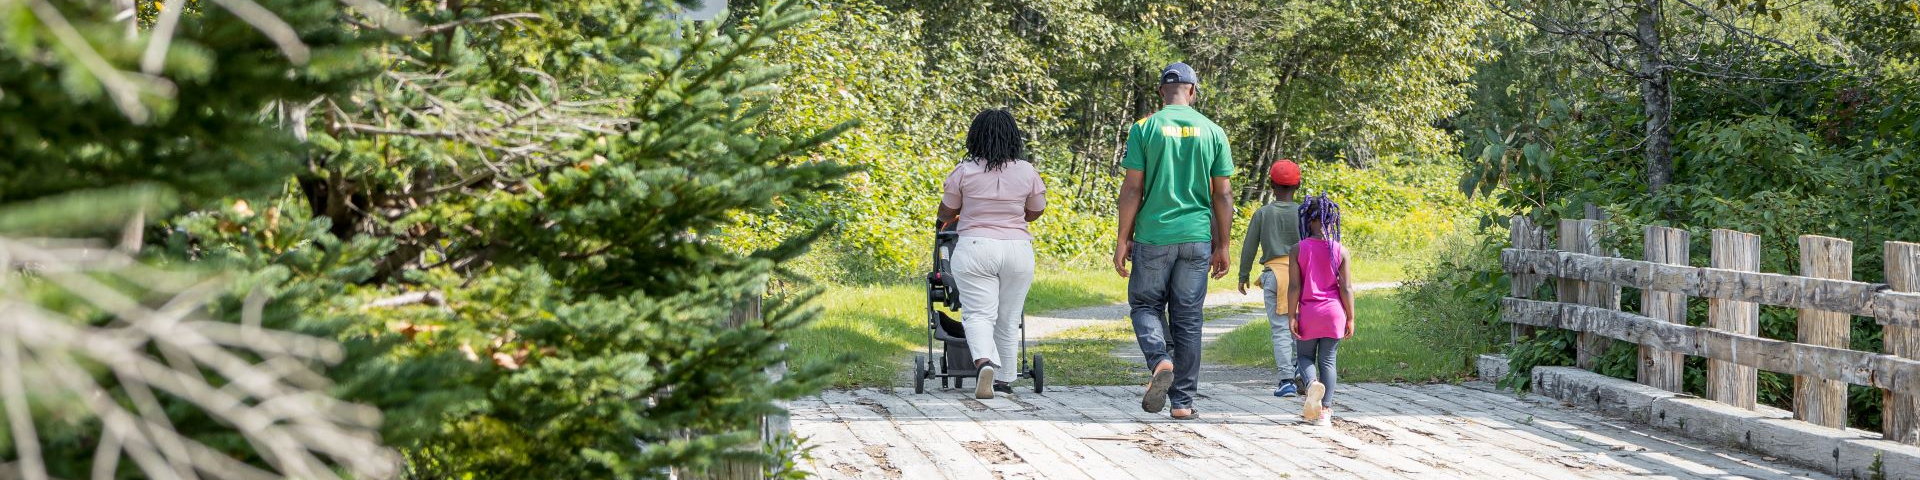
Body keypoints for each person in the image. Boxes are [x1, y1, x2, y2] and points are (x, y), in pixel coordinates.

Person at [1113, 62, 1234, 420]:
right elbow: (1223, 195)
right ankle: (1183, 403)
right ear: (1192, 91)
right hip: (1197, 237)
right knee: (1188, 319)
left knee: (1146, 305)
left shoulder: (1145, 128)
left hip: (1153, 236)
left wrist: (1123, 238)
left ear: (1160, 92)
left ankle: (1160, 359)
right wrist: (1223, 244)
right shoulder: (1213, 132)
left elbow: (1133, 187)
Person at [939, 109, 1047, 400]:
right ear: (1014, 137)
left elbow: (946, 211)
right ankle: (1004, 380)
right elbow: (1036, 210)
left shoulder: (964, 170)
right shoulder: (1027, 171)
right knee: (1009, 317)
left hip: (976, 247)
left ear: (975, 136)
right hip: (1017, 249)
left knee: (978, 314)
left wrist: (967, 209)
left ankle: (984, 362)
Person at [1237, 159, 1303, 398]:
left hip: (1274, 275)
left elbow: (1249, 246)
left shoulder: (1263, 213)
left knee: (1280, 330)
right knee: (1302, 327)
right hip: (1301, 276)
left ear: (1272, 186)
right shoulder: (1304, 213)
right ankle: (1303, 373)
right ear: (1298, 185)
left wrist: (1243, 275)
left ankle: (1286, 380)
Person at [1288, 194, 1354, 426]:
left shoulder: (1298, 249)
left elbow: (1295, 285)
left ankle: (1311, 385)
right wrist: (1351, 317)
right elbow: (1346, 287)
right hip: (1334, 313)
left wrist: (1291, 315)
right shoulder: (1340, 250)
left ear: (1307, 219)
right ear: (1330, 220)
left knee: (1305, 356)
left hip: (1309, 312)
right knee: (1328, 360)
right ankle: (1324, 411)